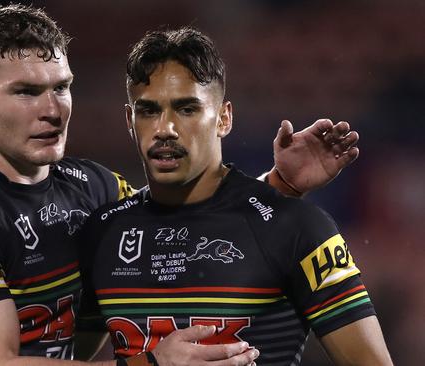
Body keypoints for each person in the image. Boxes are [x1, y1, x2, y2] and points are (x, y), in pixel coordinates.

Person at [0, 5, 361, 366]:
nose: (52, 109)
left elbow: (183, 226)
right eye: (26, 92)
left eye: (61, 87)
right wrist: (150, 362)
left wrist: (278, 186)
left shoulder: (91, 188)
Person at [78, 28, 392, 365]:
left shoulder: (297, 227)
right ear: (130, 120)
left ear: (224, 119)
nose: (165, 129)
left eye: (186, 109)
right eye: (148, 111)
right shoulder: (103, 232)